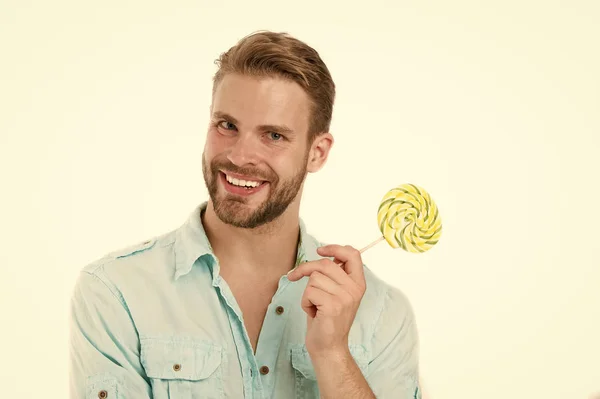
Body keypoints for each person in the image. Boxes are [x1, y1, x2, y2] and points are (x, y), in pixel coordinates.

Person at [69, 30, 422, 399]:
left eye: (273, 136)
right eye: (227, 126)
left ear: (317, 153)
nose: (239, 156)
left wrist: (333, 354)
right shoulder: (115, 291)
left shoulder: (382, 314)